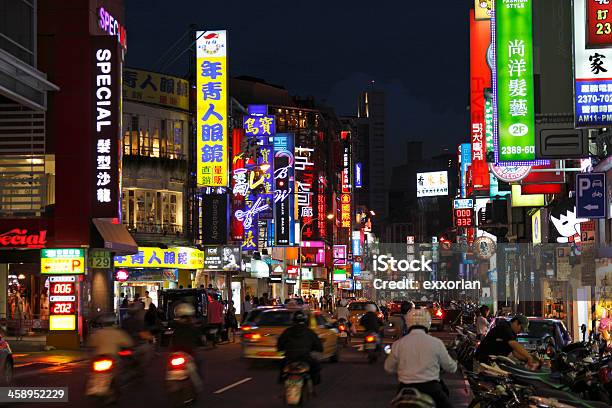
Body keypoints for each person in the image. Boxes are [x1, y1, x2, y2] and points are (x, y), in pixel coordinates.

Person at [384, 308, 457, 408]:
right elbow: (450, 366)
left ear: (408, 322)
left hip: (405, 389)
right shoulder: (436, 343)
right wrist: (454, 365)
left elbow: (389, 367)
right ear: (428, 323)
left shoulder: (399, 344)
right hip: (431, 388)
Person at [277, 310, 323, 385]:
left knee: (282, 368)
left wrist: (281, 350)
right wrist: (318, 349)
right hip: (305, 357)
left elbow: (280, 343)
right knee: (316, 367)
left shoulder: (288, 331)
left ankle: (283, 384)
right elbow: (318, 344)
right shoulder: (309, 332)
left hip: (290, 357)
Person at [169, 303, 203, 390]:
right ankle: (198, 384)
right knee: (199, 362)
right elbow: (199, 338)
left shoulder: (174, 324)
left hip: (175, 351)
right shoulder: (192, 326)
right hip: (188, 352)